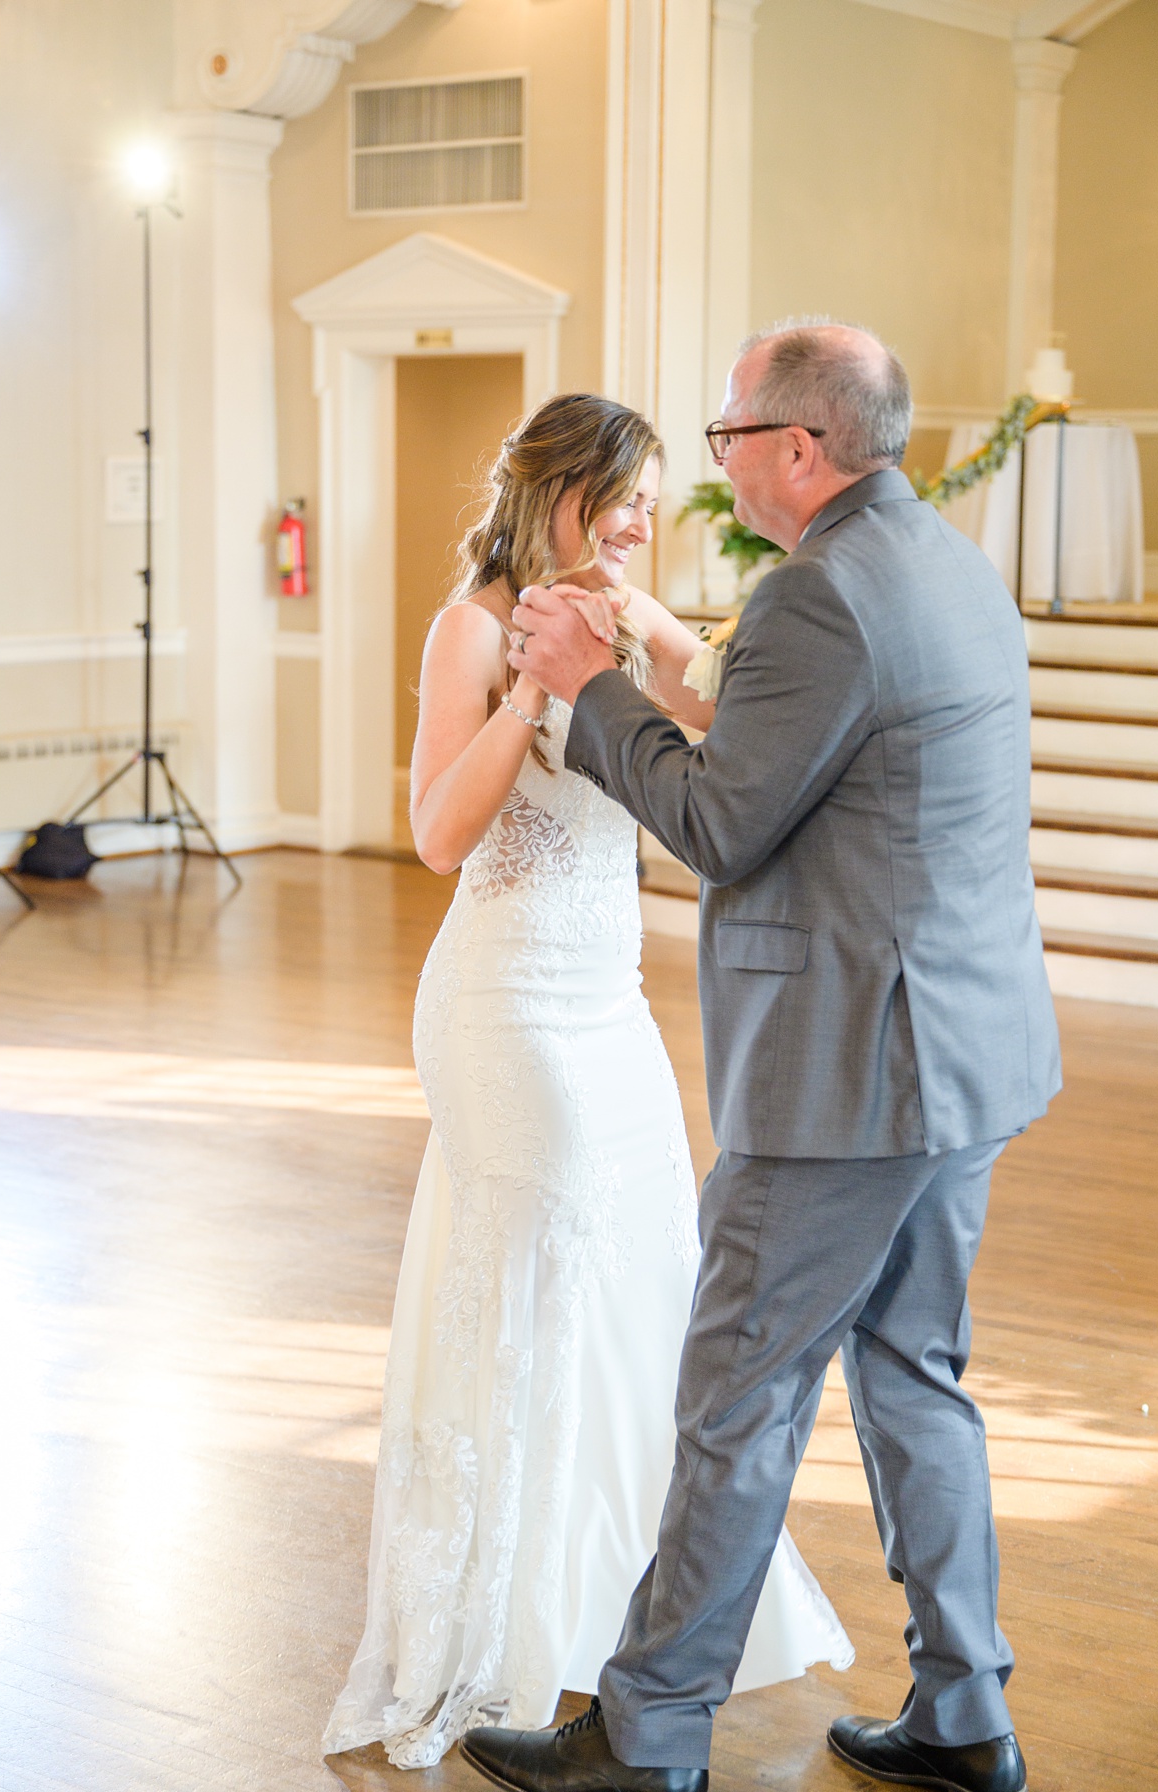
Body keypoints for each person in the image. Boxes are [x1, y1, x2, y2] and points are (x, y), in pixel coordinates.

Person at [467, 323, 1055, 1792]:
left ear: (800, 448)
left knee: (738, 1394)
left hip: (850, 1076)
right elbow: (812, 749)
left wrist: (592, 682)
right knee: (917, 1377)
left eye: (728, 431)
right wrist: (659, 653)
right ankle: (965, 1710)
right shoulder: (944, 563)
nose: (713, 455)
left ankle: (651, 1734)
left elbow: (724, 822)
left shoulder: (816, 597)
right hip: (966, 1054)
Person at [322, 393, 851, 1772]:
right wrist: (533, 693)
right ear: (554, 489)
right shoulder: (471, 625)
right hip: (501, 1007)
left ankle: (628, 1612)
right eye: (618, 500)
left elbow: (731, 731)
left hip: (610, 1007)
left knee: (641, 1283)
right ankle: (503, 1622)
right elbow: (437, 833)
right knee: (533, 1285)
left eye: (648, 507)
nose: (636, 525)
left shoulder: (631, 610)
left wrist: (651, 639)